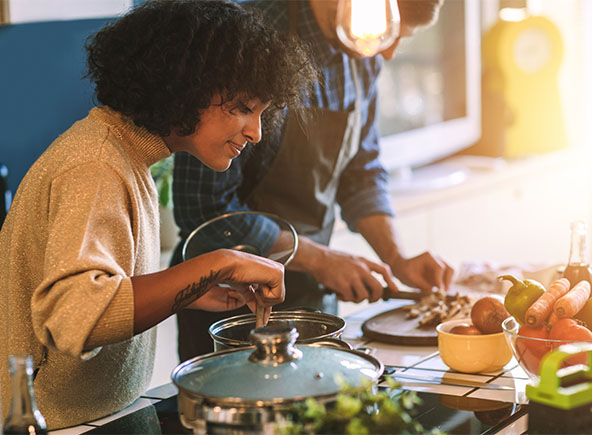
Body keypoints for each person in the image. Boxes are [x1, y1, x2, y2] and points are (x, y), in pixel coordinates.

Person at [0, 0, 317, 429]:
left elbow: (109, 288)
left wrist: (186, 290)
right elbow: (75, 317)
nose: (256, 132)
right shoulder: (95, 164)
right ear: (186, 85)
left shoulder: (126, 155)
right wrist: (220, 261)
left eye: (262, 113)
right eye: (242, 108)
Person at [172, 0, 455, 361]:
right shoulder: (245, 38)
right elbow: (207, 211)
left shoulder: (363, 54)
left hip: (311, 298)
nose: (390, 51)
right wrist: (320, 260)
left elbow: (360, 172)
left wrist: (398, 259)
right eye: (390, 30)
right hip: (229, 306)